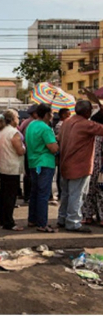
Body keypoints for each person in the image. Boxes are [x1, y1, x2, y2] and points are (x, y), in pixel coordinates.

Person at [58, 99, 103, 233]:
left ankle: (63, 218)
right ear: (88, 112)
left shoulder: (66, 122)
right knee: (77, 195)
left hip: (65, 163)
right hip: (80, 165)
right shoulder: (85, 124)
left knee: (66, 194)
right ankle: (73, 222)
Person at [25, 103, 59, 233]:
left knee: (35, 192)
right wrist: (57, 145)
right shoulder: (45, 128)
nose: (51, 116)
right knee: (43, 194)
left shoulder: (31, 125)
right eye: (50, 114)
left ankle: (32, 219)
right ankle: (42, 223)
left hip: (34, 162)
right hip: (44, 163)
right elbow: (53, 148)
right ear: (46, 114)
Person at [0, 109, 25, 231]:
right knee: (10, 196)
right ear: (12, 119)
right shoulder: (14, 133)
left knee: (3, 194)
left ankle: (3, 219)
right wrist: (24, 148)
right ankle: (9, 222)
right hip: (12, 167)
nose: (18, 119)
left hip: (2, 165)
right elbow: (19, 150)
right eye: (17, 117)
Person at [18, 104, 38, 203]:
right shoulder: (33, 123)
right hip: (31, 151)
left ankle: (27, 195)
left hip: (26, 150)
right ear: (34, 113)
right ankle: (29, 195)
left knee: (27, 174)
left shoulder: (25, 122)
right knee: (31, 174)